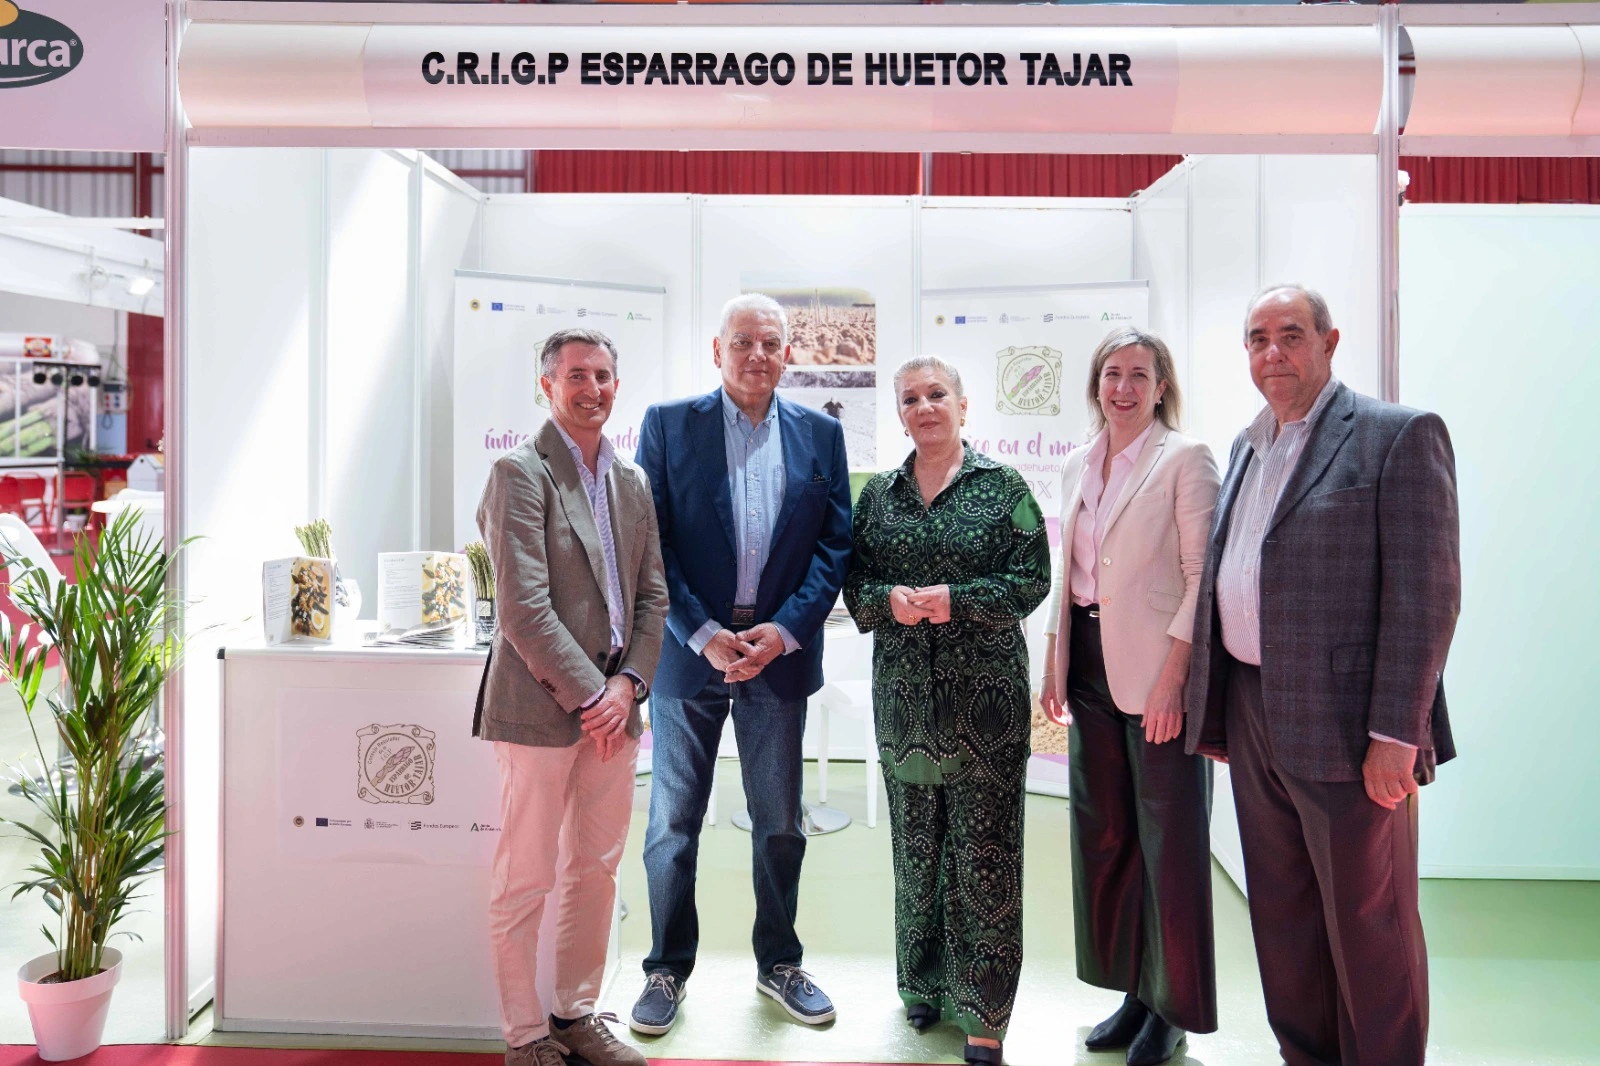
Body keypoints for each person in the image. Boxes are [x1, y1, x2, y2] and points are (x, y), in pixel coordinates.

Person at [1185, 285, 1460, 1066]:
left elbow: (1427, 595)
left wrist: (1395, 735)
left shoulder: (1395, 435)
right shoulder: (1248, 443)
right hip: (1251, 706)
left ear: (1329, 343)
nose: (1274, 352)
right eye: (1258, 338)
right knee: (1282, 914)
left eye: (1292, 335)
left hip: (1351, 726)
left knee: (1370, 925)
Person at [630, 293, 853, 1035]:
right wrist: (700, 631)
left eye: (772, 342)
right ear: (716, 349)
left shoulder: (822, 435)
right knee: (671, 823)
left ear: (790, 354)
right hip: (689, 658)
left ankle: (779, 962)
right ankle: (665, 969)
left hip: (775, 660)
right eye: (744, 341)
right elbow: (649, 542)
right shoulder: (667, 426)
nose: (758, 353)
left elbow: (833, 548)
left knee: (780, 821)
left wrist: (783, 632)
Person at [844, 356, 1050, 1066]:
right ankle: (923, 983)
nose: (925, 407)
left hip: (984, 704)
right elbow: (855, 583)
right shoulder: (879, 496)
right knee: (917, 849)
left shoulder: (1005, 487)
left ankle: (986, 1011)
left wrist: (958, 601)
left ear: (963, 404)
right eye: (911, 398)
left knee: (985, 852)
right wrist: (889, 601)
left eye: (937, 395)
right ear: (899, 413)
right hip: (903, 699)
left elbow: (1033, 579)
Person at [474, 328, 669, 1066]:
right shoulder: (519, 473)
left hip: (615, 711)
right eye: (577, 375)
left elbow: (653, 597)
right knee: (525, 876)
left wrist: (628, 688)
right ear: (547, 386)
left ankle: (574, 1014)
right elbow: (523, 608)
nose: (593, 389)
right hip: (539, 711)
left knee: (594, 870)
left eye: (605, 375)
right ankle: (524, 1034)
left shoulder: (634, 481)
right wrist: (598, 699)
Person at [1039, 328, 1221, 1066]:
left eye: (1138, 375)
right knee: (1108, 837)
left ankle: (1173, 1009)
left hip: (1156, 677)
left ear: (1160, 385)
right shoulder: (1080, 462)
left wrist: (1176, 679)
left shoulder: (1187, 459)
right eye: (1112, 374)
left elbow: (1201, 575)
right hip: (1087, 668)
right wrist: (1052, 665)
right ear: (1096, 384)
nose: (1123, 387)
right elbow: (1077, 574)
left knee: (1169, 844)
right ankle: (1133, 993)